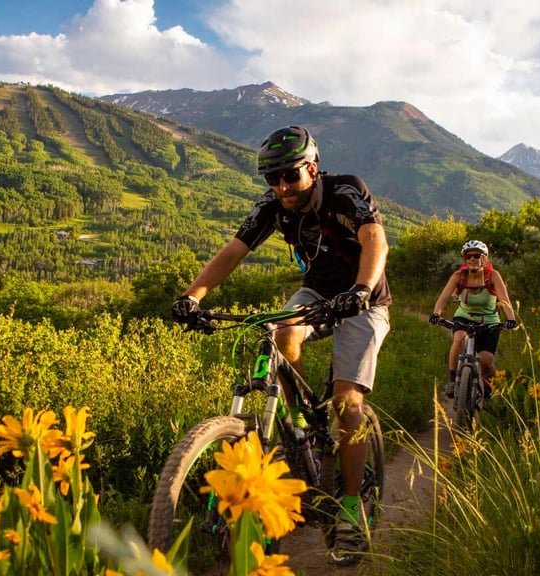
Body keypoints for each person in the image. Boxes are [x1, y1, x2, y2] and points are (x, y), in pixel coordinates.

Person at [171, 125, 391, 565]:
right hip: (314, 295)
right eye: (272, 179)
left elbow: (374, 238)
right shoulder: (274, 206)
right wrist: (194, 296)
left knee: (348, 404)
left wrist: (363, 288)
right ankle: (301, 426)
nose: (282, 187)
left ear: (311, 167)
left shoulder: (347, 190)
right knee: (278, 333)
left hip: (364, 300)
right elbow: (233, 251)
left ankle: (350, 512)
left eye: (290, 176)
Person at [429, 240, 518, 399]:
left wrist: (511, 318)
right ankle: (452, 381)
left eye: (476, 255)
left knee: (486, 359)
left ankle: (490, 388)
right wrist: (436, 313)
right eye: (468, 256)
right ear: (464, 259)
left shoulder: (493, 276)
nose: (472, 259)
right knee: (459, 338)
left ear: (484, 258)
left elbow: (504, 299)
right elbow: (443, 297)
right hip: (464, 316)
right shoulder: (458, 276)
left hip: (489, 320)